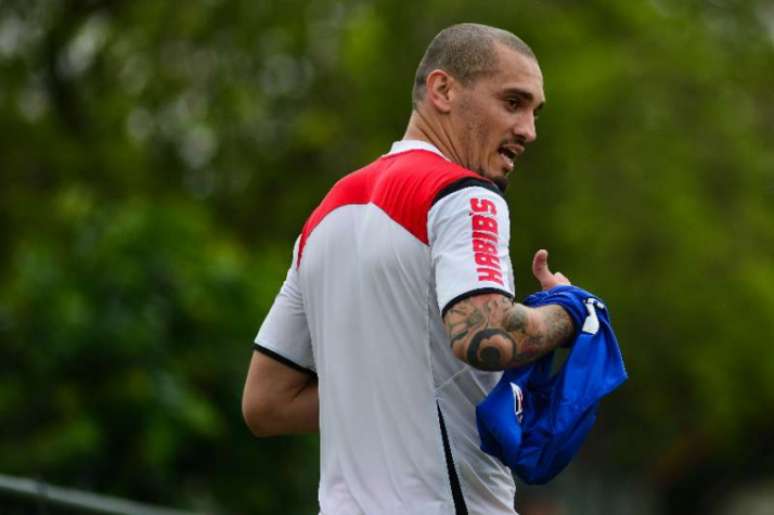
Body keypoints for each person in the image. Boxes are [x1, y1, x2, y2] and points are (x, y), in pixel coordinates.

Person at [242, 23, 576, 515]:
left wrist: (393, 389)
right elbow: (487, 335)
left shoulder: (325, 215)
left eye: (534, 111)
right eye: (512, 103)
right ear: (443, 90)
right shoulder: (465, 194)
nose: (529, 130)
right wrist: (570, 309)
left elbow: (265, 402)